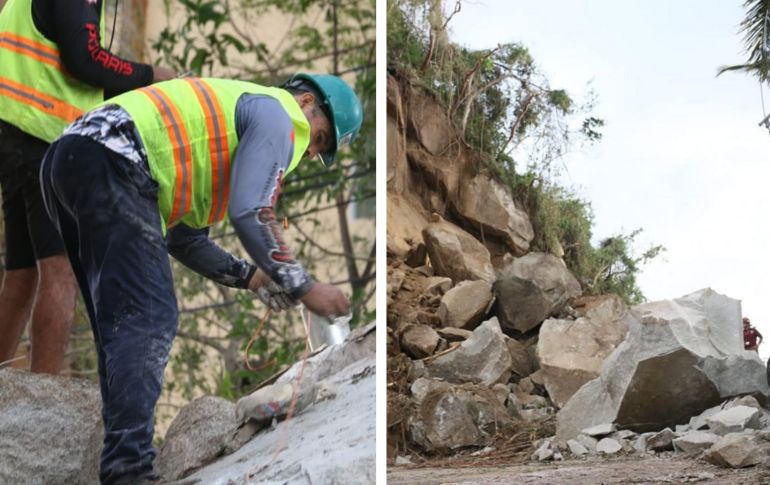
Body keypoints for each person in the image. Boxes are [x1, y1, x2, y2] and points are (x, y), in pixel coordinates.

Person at [40, 73, 362, 484]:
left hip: (71, 159)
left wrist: (252, 277)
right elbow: (252, 210)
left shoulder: (220, 141)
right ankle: (129, 469)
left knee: (120, 324)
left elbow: (185, 239)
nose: (309, 151)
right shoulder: (278, 114)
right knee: (149, 315)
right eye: (319, 139)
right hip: (114, 155)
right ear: (305, 103)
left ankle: (123, 461)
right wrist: (305, 285)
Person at [0, 0, 176, 373]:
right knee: (60, 271)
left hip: (14, 126)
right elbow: (84, 59)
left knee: (22, 270)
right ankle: (42, 400)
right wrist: (150, 74)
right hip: (41, 135)